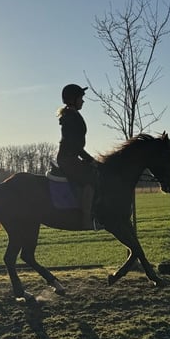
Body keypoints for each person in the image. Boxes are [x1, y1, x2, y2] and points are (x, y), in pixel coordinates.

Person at [56, 83, 96, 229]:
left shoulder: (72, 115)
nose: (83, 101)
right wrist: (90, 159)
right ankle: (86, 218)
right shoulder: (70, 117)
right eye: (81, 98)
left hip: (71, 157)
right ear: (73, 100)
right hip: (68, 159)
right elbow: (74, 145)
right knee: (90, 179)